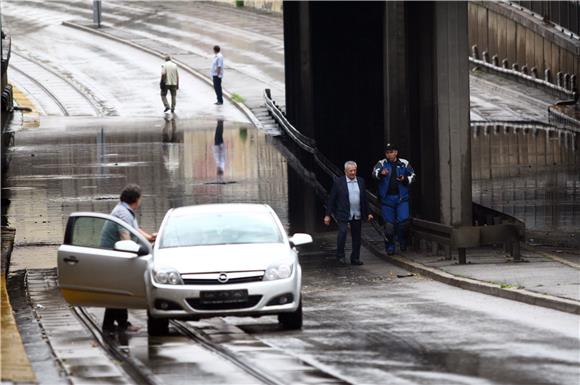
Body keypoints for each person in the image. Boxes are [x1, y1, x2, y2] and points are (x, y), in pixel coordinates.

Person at [101, 184, 157, 332]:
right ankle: (118, 324)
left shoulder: (124, 210)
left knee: (118, 290)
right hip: (114, 256)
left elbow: (135, 230)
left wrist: (149, 238)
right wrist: (138, 250)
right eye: (141, 198)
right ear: (136, 199)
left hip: (115, 255)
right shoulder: (123, 213)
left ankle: (114, 324)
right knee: (119, 290)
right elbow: (125, 238)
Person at [324, 161, 373, 265]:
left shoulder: (361, 181)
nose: (353, 172)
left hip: (357, 213)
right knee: (342, 234)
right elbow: (332, 199)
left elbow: (364, 199)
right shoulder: (338, 182)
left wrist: (369, 213)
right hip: (343, 213)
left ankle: (355, 258)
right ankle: (340, 256)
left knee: (357, 237)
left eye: (354, 170)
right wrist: (327, 215)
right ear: (345, 171)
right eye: (350, 171)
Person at [372, 143, 416, 255]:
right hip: (387, 199)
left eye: (391, 152)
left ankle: (402, 240)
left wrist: (405, 178)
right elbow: (374, 173)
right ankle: (390, 245)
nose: (389, 154)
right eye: (387, 152)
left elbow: (413, 176)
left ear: (396, 152)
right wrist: (381, 173)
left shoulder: (404, 163)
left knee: (403, 222)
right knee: (389, 226)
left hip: (401, 198)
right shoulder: (381, 163)